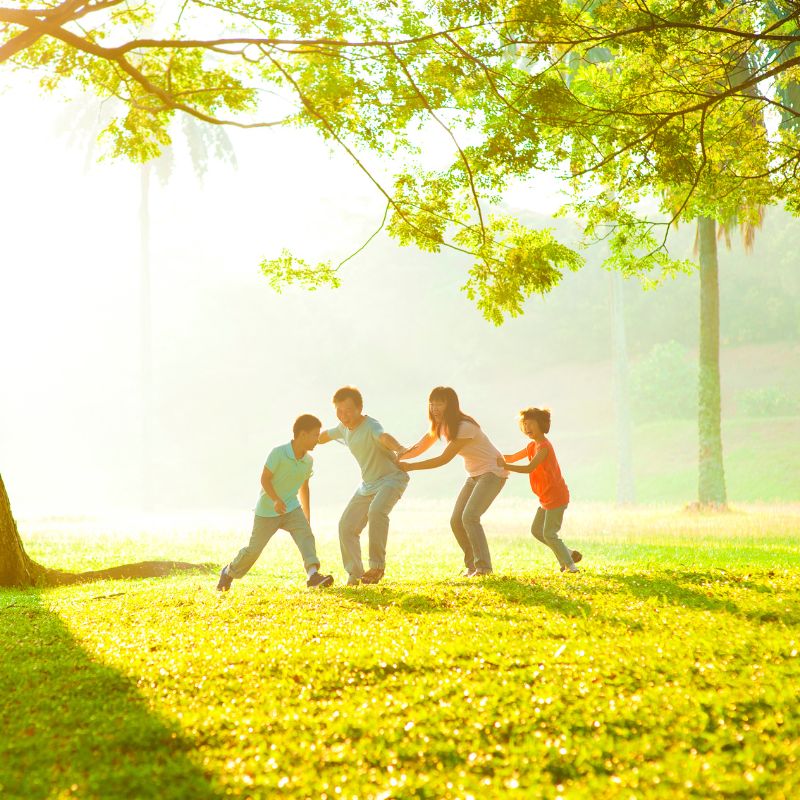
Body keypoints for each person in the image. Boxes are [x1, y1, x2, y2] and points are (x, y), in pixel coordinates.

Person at [217, 414, 334, 591]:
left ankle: (313, 575)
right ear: (302, 435)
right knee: (253, 551)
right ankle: (228, 572)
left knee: (306, 537)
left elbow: (304, 487)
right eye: (315, 435)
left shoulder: (308, 461)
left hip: (292, 508)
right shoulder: (278, 453)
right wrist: (275, 500)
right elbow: (265, 479)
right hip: (267, 511)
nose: (317, 440)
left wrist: (307, 515)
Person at [399, 386, 507, 577]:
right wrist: (397, 457)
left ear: (450, 405)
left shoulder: (465, 426)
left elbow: (443, 459)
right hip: (474, 475)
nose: (434, 408)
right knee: (456, 521)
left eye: (439, 403)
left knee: (470, 517)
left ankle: (484, 568)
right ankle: (473, 566)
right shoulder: (440, 426)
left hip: (492, 473)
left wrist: (411, 467)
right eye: (432, 404)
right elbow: (418, 447)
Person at [318, 386, 409, 586]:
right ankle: (355, 574)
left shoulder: (371, 425)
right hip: (368, 485)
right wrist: (307, 440)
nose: (344, 415)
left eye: (348, 410)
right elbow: (325, 435)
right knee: (346, 526)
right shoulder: (343, 428)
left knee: (377, 511)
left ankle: (377, 567)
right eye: (339, 411)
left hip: (391, 479)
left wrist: (401, 448)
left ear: (360, 408)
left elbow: (384, 437)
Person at [498, 407, 582, 573]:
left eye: (530, 424)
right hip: (545, 497)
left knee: (549, 534)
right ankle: (569, 554)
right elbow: (512, 457)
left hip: (556, 496)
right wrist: (492, 456)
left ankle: (571, 567)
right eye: (524, 424)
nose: (526, 428)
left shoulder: (543, 447)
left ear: (541, 424)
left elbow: (529, 467)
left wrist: (505, 466)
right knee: (537, 531)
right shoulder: (532, 445)